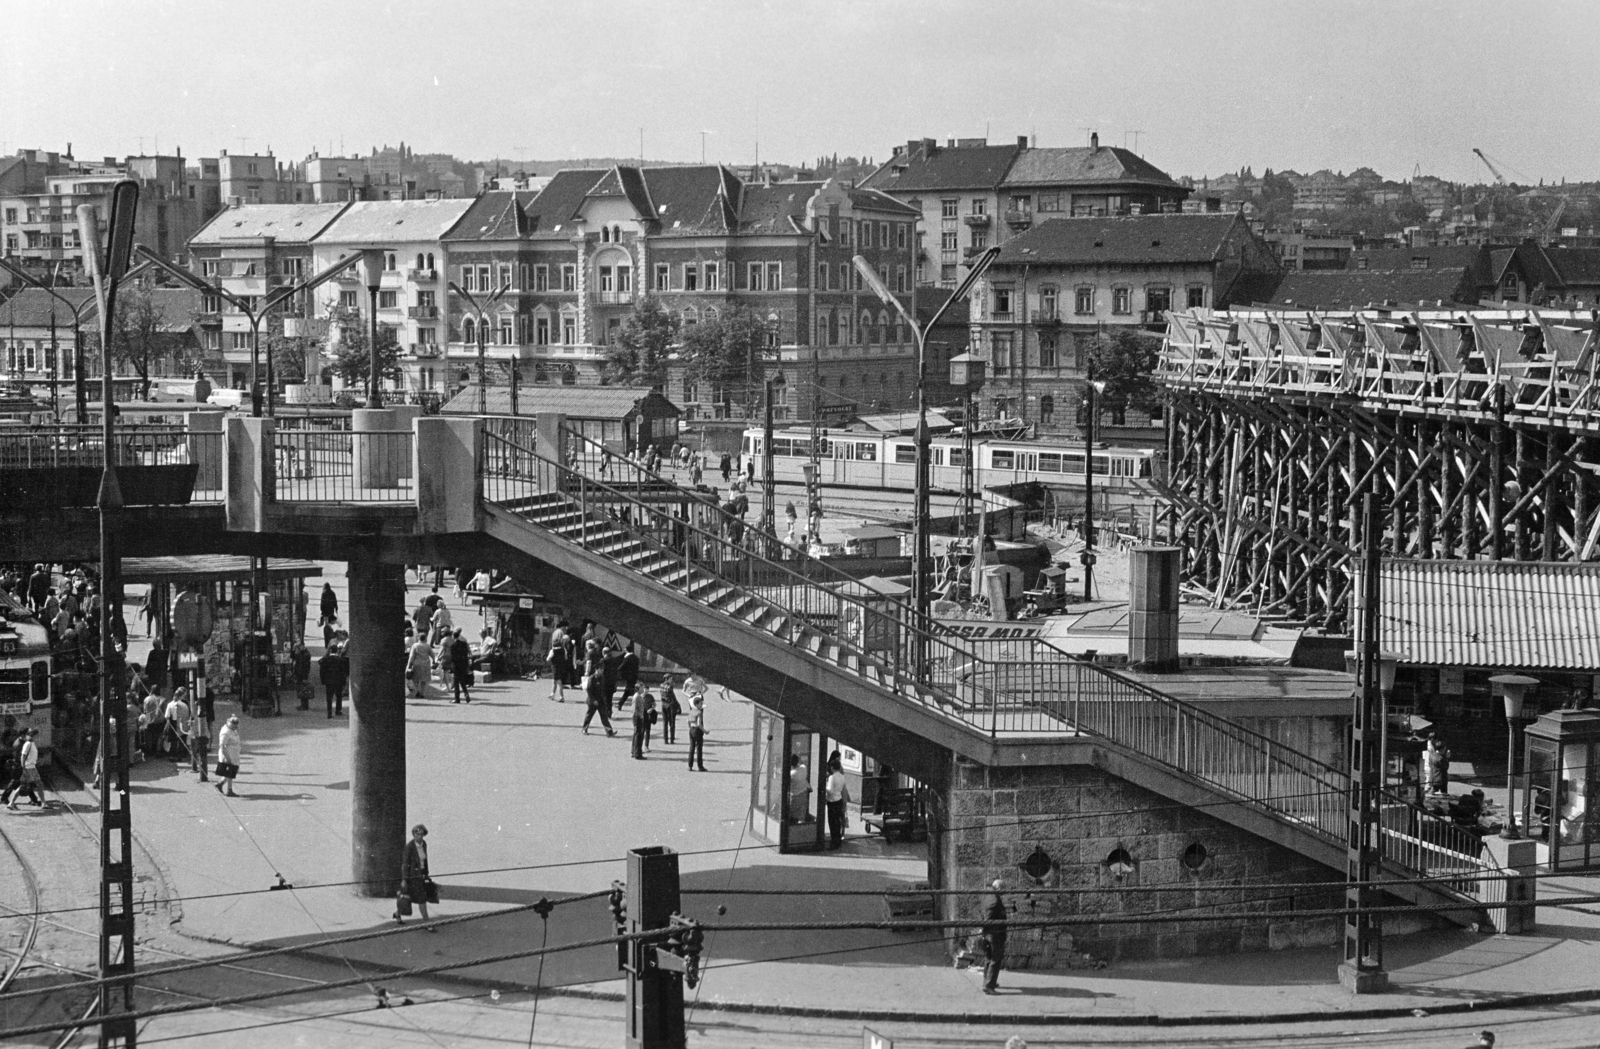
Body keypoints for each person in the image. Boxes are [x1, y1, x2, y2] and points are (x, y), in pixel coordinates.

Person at [396, 823, 434, 926]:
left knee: (409, 897)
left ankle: (397, 913)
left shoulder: (424, 844)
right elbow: (405, 864)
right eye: (417, 834)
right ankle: (427, 922)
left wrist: (426, 874)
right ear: (413, 834)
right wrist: (404, 879)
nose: (420, 836)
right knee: (421, 899)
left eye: (421, 834)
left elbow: (425, 860)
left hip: (421, 876)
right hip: (412, 877)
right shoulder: (409, 847)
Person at [981, 880, 1008, 994]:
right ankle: (989, 985)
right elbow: (989, 919)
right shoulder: (995, 901)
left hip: (988, 934)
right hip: (995, 934)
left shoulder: (988, 896)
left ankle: (987, 981)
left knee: (988, 958)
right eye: (1003, 889)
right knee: (996, 958)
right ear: (999, 888)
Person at [581, 650, 616, 736]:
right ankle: (584, 729)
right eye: (600, 669)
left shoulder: (602, 678)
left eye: (603, 669)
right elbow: (589, 690)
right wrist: (593, 700)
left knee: (604, 716)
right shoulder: (592, 678)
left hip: (600, 701)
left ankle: (609, 732)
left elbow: (603, 689)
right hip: (593, 701)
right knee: (589, 716)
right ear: (596, 670)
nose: (602, 671)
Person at [4, 729, 42, 809]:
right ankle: (6, 799)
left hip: (20, 765)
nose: (28, 736)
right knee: (20, 783)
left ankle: (34, 800)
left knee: (23, 782)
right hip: (20, 765)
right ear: (22, 735)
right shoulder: (20, 743)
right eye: (27, 734)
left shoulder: (20, 741)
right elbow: (21, 756)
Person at [824, 757, 849, 848]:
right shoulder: (842, 776)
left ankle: (833, 842)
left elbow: (830, 790)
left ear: (832, 767)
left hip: (832, 801)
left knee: (832, 822)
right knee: (837, 822)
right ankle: (838, 841)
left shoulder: (832, 777)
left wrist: (824, 787)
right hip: (839, 799)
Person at [320, 642, 349, 717]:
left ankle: (329, 713)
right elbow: (343, 672)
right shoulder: (340, 660)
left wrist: (323, 680)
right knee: (338, 696)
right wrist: (343, 681)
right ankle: (338, 710)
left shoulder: (325, 660)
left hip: (328, 681)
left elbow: (322, 671)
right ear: (336, 651)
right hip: (338, 681)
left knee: (329, 697)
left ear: (330, 651)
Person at [215, 715, 241, 797]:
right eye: (233, 727)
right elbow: (222, 746)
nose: (235, 728)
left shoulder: (231, 729)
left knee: (232, 771)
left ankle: (221, 783)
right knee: (230, 771)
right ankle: (229, 790)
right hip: (228, 754)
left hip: (233, 754)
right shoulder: (226, 732)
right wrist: (227, 758)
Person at [163, 687, 191, 761]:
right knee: (182, 739)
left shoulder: (170, 704)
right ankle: (181, 754)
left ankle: (173, 755)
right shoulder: (185, 704)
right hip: (182, 722)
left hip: (173, 722)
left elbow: (167, 716)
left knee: (174, 740)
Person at [189, 693, 212, 781]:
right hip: (199, 734)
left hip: (196, 734)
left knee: (195, 750)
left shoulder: (195, 713)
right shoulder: (203, 713)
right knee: (198, 751)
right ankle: (199, 768)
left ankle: (197, 767)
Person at [448, 629, 473, 704]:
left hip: (457, 665)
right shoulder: (464, 644)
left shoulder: (453, 646)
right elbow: (466, 654)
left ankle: (457, 698)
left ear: (453, 637)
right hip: (464, 664)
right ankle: (466, 693)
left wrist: (452, 666)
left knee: (456, 683)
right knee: (461, 680)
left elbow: (452, 658)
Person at [788, 753, 812, 823]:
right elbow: (802, 764)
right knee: (801, 817)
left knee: (790, 816)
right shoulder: (804, 768)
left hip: (794, 797)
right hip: (803, 795)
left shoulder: (791, 774)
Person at [686, 693, 707, 772]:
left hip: (691, 729)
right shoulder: (699, 712)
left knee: (691, 748)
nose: (702, 705)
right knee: (699, 748)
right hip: (697, 731)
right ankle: (700, 766)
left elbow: (688, 721)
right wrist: (705, 731)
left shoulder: (691, 711)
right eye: (700, 703)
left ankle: (690, 765)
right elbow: (699, 724)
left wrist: (690, 728)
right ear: (697, 704)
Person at [631, 688, 653, 760]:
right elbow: (635, 709)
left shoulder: (638, 696)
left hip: (638, 717)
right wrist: (640, 716)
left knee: (637, 735)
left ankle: (634, 751)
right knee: (639, 736)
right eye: (641, 688)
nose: (643, 690)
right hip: (638, 718)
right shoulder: (637, 697)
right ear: (638, 689)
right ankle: (638, 753)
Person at [291, 641, 313, 711]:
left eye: (298, 648)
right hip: (300, 674)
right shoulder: (301, 653)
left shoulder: (305, 654)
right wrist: (294, 650)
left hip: (302, 675)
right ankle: (303, 704)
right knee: (301, 690)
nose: (297, 649)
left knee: (303, 690)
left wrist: (304, 677)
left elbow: (305, 667)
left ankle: (305, 705)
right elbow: (292, 656)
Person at [618, 643, 640, 708]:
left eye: (625, 648)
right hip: (634, 677)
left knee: (628, 691)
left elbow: (621, 667)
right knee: (632, 691)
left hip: (629, 677)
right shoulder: (636, 658)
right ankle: (621, 704)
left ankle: (620, 704)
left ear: (627, 649)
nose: (624, 649)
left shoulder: (627, 658)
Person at [659, 679, 681, 745]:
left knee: (665, 723)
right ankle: (672, 739)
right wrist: (678, 705)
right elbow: (673, 697)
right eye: (670, 679)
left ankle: (665, 739)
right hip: (670, 705)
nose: (671, 680)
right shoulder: (670, 687)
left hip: (663, 705)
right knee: (672, 723)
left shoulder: (661, 685)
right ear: (667, 679)